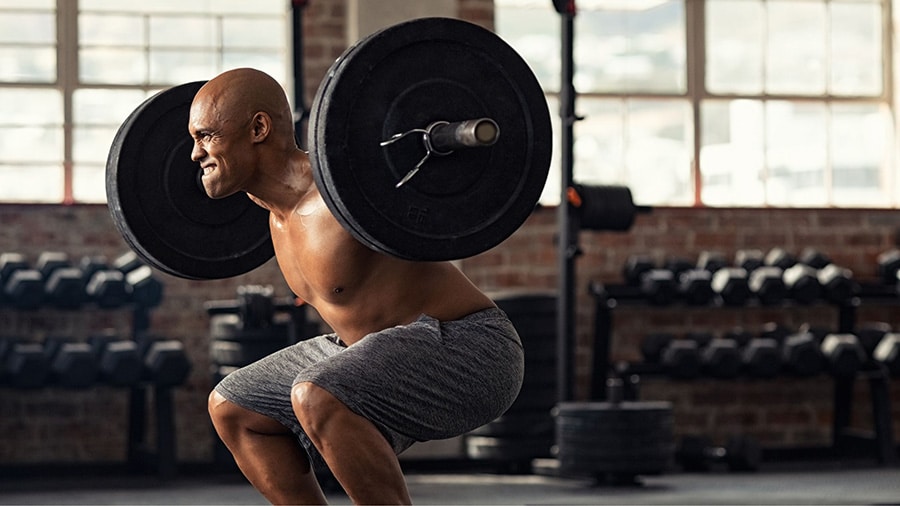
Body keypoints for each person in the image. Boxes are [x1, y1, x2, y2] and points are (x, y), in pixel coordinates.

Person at [189, 67, 525, 505]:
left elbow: (418, 184)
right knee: (233, 407)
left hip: (472, 348)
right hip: (367, 347)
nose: (196, 154)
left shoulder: (345, 189)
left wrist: (449, 142)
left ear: (257, 128)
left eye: (206, 136)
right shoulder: (274, 216)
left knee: (317, 394)